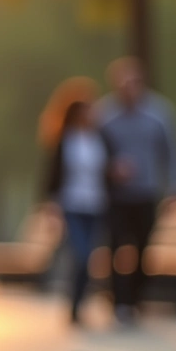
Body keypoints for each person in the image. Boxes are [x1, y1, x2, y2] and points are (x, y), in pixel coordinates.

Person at [94, 57, 176, 325]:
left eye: (133, 82)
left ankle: (134, 296)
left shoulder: (159, 113)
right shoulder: (104, 115)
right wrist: (110, 168)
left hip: (146, 192)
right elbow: (90, 153)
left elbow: (173, 151)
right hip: (114, 195)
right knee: (115, 246)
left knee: (143, 246)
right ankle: (120, 301)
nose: (129, 88)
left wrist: (175, 186)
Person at [42, 98, 108, 326]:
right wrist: (50, 205)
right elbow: (52, 175)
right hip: (72, 206)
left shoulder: (100, 140)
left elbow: (107, 171)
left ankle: (78, 305)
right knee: (81, 255)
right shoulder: (66, 141)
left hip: (96, 206)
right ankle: (75, 303)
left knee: (89, 259)